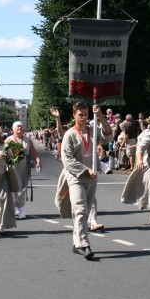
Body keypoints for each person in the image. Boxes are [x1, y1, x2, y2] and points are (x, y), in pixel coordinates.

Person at [59, 103, 112, 259]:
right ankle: (84, 244)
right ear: (74, 115)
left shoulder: (92, 131)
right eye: (80, 114)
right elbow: (67, 159)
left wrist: (101, 116)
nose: (83, 117)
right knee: (80, 209)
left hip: (92, 177)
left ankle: (77, 242)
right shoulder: (69, 134)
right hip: (76, 177)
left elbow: (108, 135)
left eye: (86, 114)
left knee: (85, 211)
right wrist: (85, 170)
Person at [4, 120, 41, 220]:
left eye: (21, 127)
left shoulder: (27, 139)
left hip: (25, 164)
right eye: (17, 127)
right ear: (13, 129)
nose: (20, 128)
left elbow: (33, 151)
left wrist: (38, 160)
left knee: (24, 185)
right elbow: (3, 152)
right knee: (16, 186)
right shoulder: (8, 139)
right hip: (13, 164)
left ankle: (18, 207)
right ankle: (20, 209)